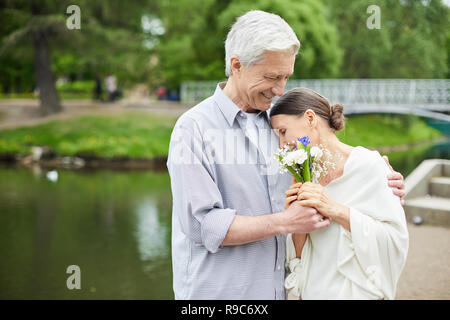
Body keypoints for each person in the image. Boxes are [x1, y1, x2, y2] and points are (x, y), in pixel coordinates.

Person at [166, 10, 405, 300]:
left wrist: (377, 176)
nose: (280, 89)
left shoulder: (281, 126)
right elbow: (202, 225)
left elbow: (330, 173)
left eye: (286, 77)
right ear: (237, 64)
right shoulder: (193, 129)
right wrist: (286, 221)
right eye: (271, 77)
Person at [270, 87, 409, 299]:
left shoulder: (370, 165)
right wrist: (296, 220)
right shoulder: (299, 176)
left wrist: (334, 209)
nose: (281, 144)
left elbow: (394, 241)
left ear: (309, 118)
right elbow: (297, 256)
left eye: (283, 131)